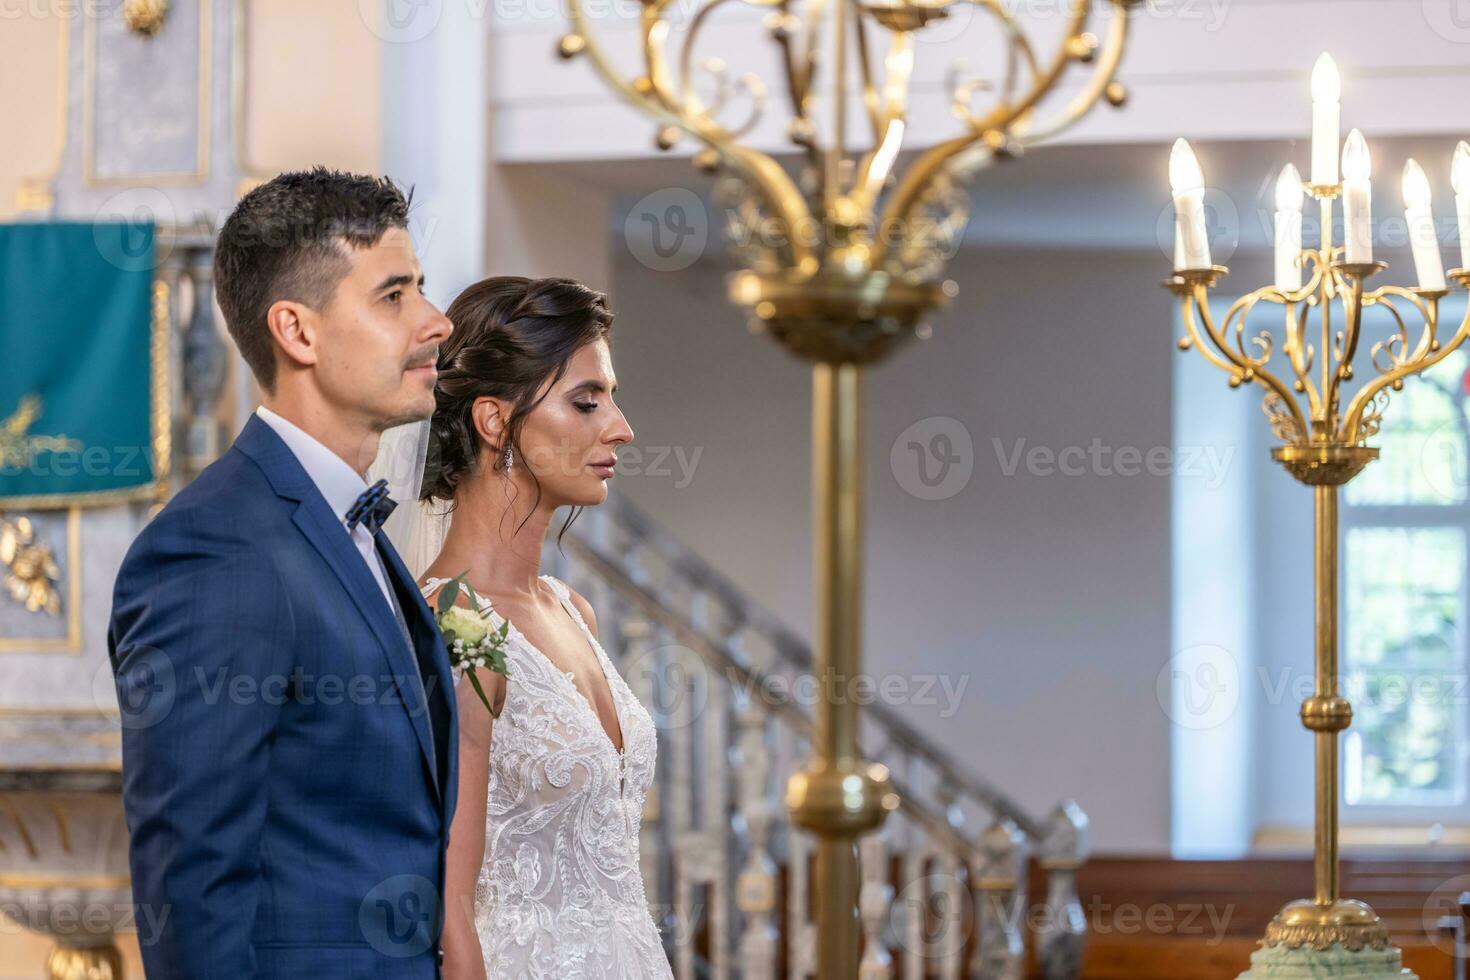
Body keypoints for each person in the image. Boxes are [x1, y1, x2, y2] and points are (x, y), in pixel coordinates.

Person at [108, 167, 459, 978]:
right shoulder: (217, 548)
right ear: (297, 332)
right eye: (394, 296)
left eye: (422, 292)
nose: (436, 323)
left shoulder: (358, 531)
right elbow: (193, 878)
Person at [382, 275, 674, 978]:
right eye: (586, 401)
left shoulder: (572, 610)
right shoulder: (460, 618)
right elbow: (447, 904)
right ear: (493, 421)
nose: (621, 427)